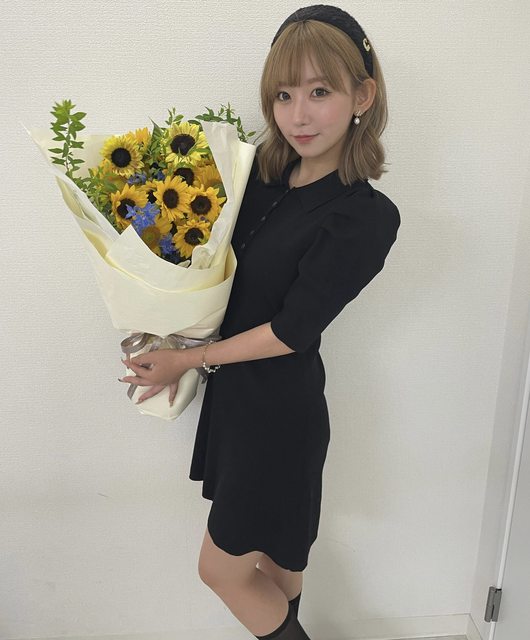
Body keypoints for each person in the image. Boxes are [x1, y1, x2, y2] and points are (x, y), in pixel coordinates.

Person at [119, 5, 401, 639]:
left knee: (221, 570)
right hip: (238, 402)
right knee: (275, 566)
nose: (298, 115)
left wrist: (187, 359)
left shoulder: (364, 216)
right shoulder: (260, 183)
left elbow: (291, 330)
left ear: (362, 96)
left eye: (320, 92)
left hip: (279, 416)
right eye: (283, 95)